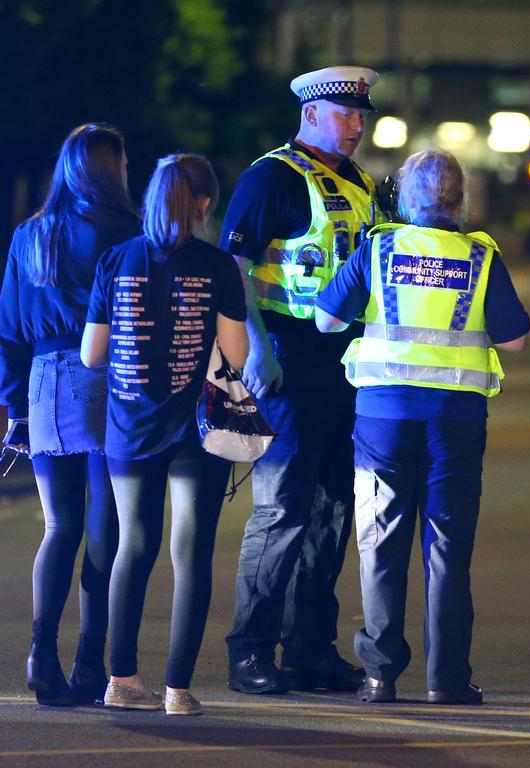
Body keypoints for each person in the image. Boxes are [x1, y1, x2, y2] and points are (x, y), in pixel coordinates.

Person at [315, 149, 530, 704]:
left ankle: (380, 675)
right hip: (456, 419)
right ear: (460, 201)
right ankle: (447, 680)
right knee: (448, 547)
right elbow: (514, 339)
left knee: (381, 542)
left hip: (384, 418)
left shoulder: (380, 247)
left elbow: (326, 318)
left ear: (406, 197)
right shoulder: (481, 257)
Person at [222, 66, 381, 694]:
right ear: (312, 113)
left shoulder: (364, 184)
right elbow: (234, 266)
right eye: (346, 114)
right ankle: (251, 650)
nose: (357, 125)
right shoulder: (270, 177)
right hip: (287, 360)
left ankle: (311, 649)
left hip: (347, 365)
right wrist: (256, 349)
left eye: (362, 114)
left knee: (334, 510)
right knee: (281, 509)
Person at [81, 154, 248, 715]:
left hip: (129, 426)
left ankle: (122, 681)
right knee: (190, 554)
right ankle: (178, 689)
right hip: (194, 429)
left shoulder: (116, 259)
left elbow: (91, 353)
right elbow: (237, 353)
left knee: (133, 547)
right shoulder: (217, 264)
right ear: (202, 204)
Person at [0, 123, 138, 706]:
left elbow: (7, 328)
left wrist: (13, 407)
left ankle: (40, 653)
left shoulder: (30, 234)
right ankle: (89, 662)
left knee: (59, 526)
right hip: (108, 378)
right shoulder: (126, 231)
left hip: (43, 381)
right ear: (113, 169)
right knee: (105, 527)